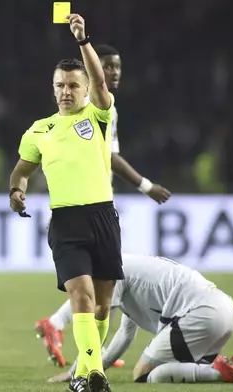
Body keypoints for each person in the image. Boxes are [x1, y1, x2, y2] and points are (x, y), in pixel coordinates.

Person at [35, 44, 172, 368]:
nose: (114, 73)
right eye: (108, 66)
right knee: (93, 286)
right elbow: (110, 157)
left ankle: (84, 347)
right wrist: (145, 185)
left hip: (101, 207)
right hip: (83, 206)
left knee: (101, 289)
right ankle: (71, 339)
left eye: (118, 68)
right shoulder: (92, 109)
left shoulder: (107, 108)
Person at [9, 14, 119, 392]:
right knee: (82, 297)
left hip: (103, 217)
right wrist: (16, 190)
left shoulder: (99, 115)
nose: (66, 91)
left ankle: (83, 372)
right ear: (52, 89)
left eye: (73, 85)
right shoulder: (39, 130)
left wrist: (83, 40)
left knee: (103, 307)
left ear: (86, 89)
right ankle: (95, 374)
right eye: (60, 85)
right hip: (66, 223)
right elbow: (21, 170)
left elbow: (102, 82)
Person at [46, 254, 233, 385]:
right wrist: (98, 368)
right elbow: (125, 335)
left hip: (202, 313)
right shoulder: (124, 265)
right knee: (176, 369)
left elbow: (98, 329)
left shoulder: (108, 272)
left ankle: (220, 372)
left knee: (145, 374)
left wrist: (79, 372)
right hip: (224, 309)